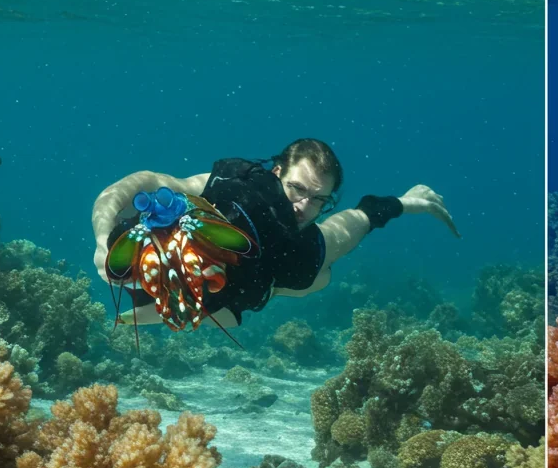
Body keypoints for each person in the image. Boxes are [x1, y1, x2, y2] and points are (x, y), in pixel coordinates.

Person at [91, 138, 459, 329]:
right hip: (213, 271)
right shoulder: (228, 188)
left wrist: (409, 203)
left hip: (286, 268)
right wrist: (101, 239)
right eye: (297, 188)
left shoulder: (304, 240)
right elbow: (142, 181)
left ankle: (411, 198)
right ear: (277, 172)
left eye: (318, 199)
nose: (303, 206)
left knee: (330, 262)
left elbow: (353, 222)